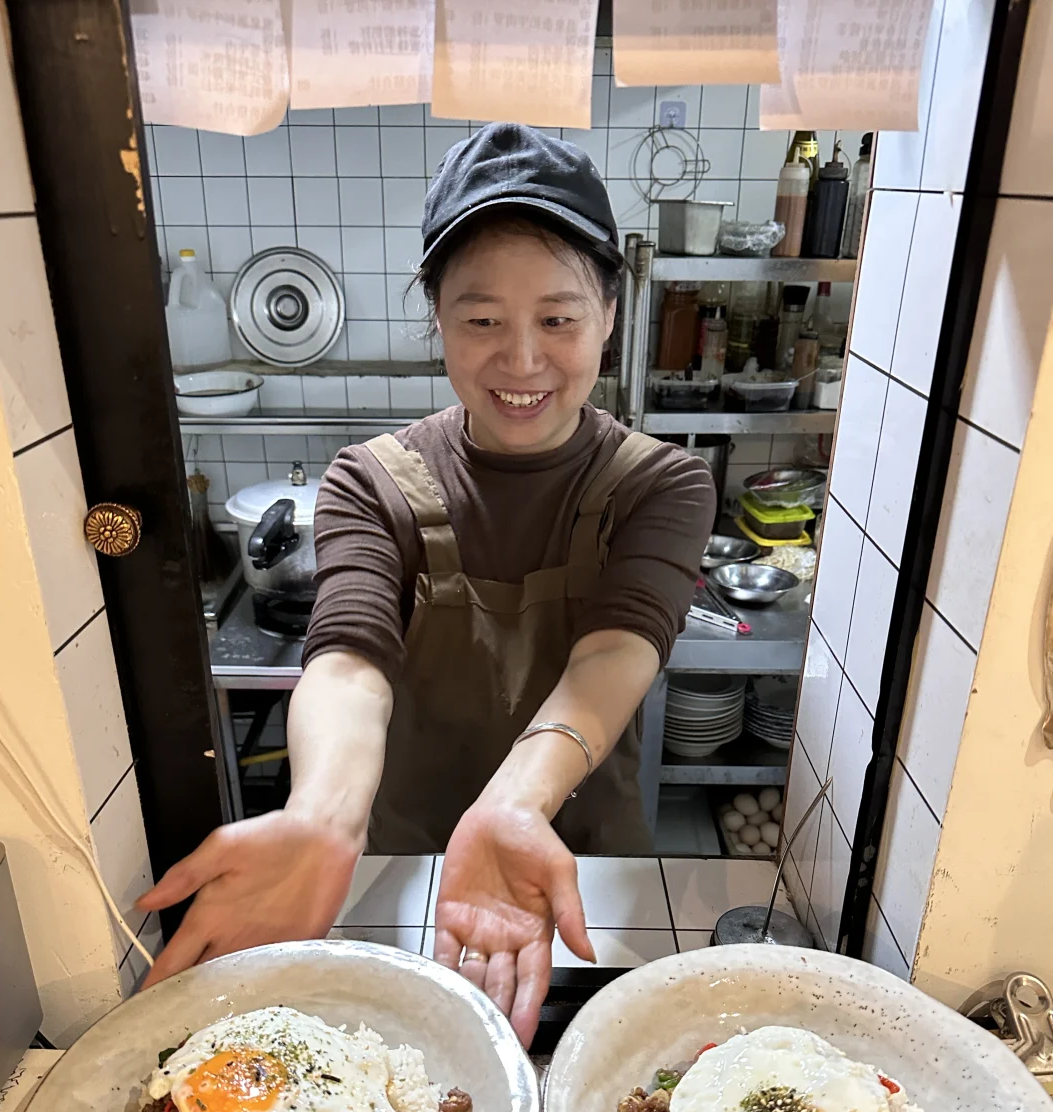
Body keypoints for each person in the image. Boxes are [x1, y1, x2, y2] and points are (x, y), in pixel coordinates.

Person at [138, 123, 715, 1044]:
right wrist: (322, 816)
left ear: (610, 313)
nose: (521, 361)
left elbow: (614, 652)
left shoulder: (662, 484)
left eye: (558, 320)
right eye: (482, 320)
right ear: (436, 315)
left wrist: (515, 801)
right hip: (397, 870)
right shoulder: (371, 481)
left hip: (583, 868)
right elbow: (347, 662)